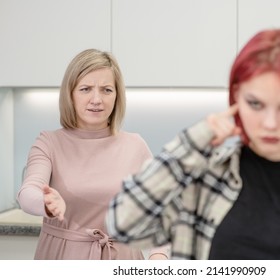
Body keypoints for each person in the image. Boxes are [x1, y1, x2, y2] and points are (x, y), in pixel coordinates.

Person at [106, 28, 280, 260]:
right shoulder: (204, 176)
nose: (270, 123)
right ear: (236, 95)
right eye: (255, 104)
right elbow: (124, 224)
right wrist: (191, 144)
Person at [17, 49, 170, 260]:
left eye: (107, 90)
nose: (96, 99)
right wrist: (45, 203)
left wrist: (159, 255)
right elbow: (27, 193)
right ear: (70, 94)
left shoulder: (135, 146)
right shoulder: (48, 143)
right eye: (86, 89)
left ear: (117, 96)